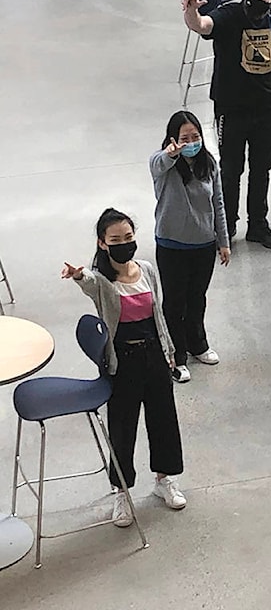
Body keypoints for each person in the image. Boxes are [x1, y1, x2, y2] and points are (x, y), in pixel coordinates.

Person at [61, 209, 187, 527]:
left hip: (155, 357)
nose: (124, 243)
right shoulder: (103, 280)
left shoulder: (146, 269)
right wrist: (78, 276)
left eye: (128, 237)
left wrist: (169, 351)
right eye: (116, 239)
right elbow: (89, 284)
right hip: (123, 363)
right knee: (122, 426)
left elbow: (158, 315)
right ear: (103, 243)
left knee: (163, 420)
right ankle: (122, 491)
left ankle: (164, 480)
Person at [181, 0, 271, 250]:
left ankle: (258, 225)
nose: (260, 1)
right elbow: (202, 25)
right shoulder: (229, 14)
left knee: (262, 168)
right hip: (231, 106)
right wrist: (191, 12)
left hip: (266, 106)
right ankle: (226, 226)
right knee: (230, 168)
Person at [150, 110, 231, 384]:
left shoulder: (209, 164)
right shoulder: (163, 165)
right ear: (173, 139)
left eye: (195, 136)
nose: (191, 142)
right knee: (174, 303)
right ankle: (176, 356)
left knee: (197, 299)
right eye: (185, 138)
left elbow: (218, 203)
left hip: (203, 244)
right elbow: (159, 164)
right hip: (172, 245)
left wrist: (223, 241)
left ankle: (198, 344)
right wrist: (172, 154)